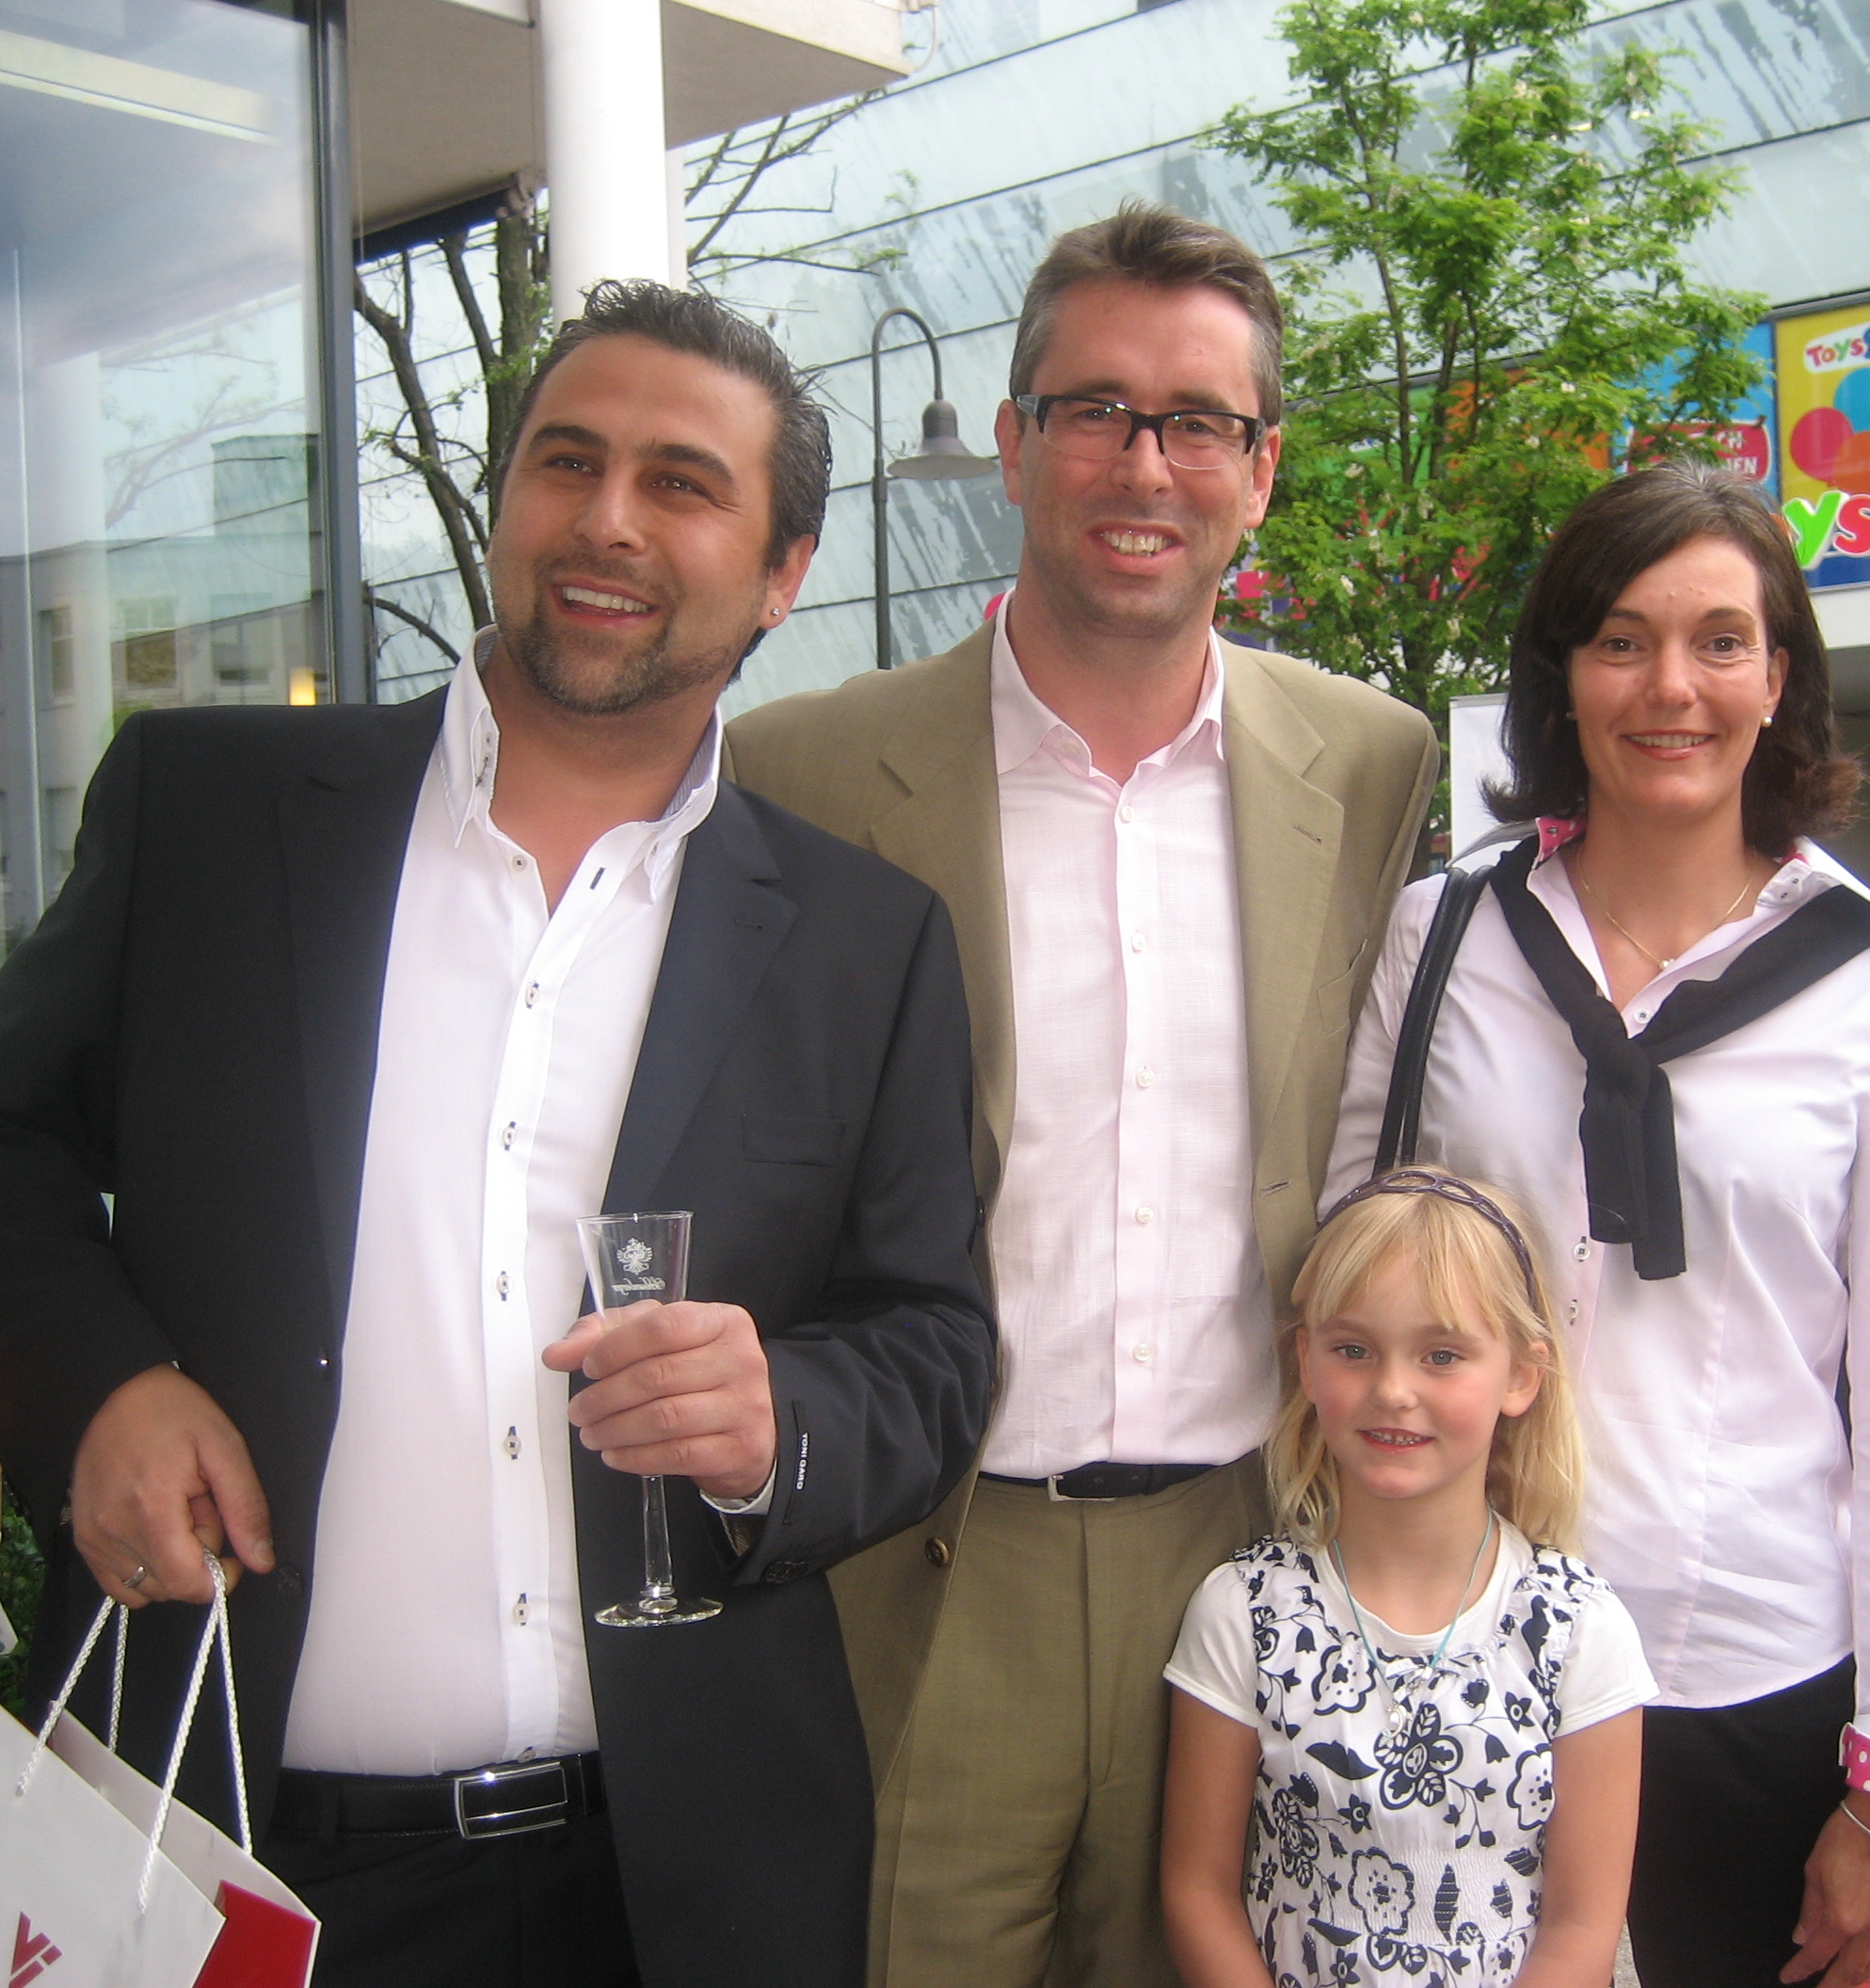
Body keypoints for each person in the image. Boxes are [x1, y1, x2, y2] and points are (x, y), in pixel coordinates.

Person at [0, 281, 995, 1988]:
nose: (607, 520)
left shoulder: (865, 939)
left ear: (783, 573)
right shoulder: (213, 812)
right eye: (567, 462)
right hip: (246, 1857)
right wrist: (100, 1385)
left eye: (682, 484)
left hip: (689, 1887)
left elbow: (932, 1343)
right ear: (503, 501)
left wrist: (785, 1418)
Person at [726, 201, 1441, 1987]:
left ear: (1260, 471)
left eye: (1199, 422)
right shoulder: (805, 771)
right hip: (932, 1558)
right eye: (1097, 410)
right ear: (1012, 439)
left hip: (1244, 1556)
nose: (1145, 464)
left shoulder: (1368, 763)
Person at [1326, 463, 1870, 1988]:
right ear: (1562, 674)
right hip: (1453, 1636)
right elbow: (1347, 1270)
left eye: (1719, 641)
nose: (1670, 686)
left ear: (1780, 679)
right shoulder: (1444, 938)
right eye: (1621, 640)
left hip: (1746, 1660)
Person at [1160, 1165, 1652, 1988]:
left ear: (1521, 1376)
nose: (1392, 1390)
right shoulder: (1244, 1611)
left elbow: (1583, 1925)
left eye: (1442, 1356)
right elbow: (1197, 1891)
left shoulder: (1578, 1629)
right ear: (1306, 1359)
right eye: (1353, 1350)